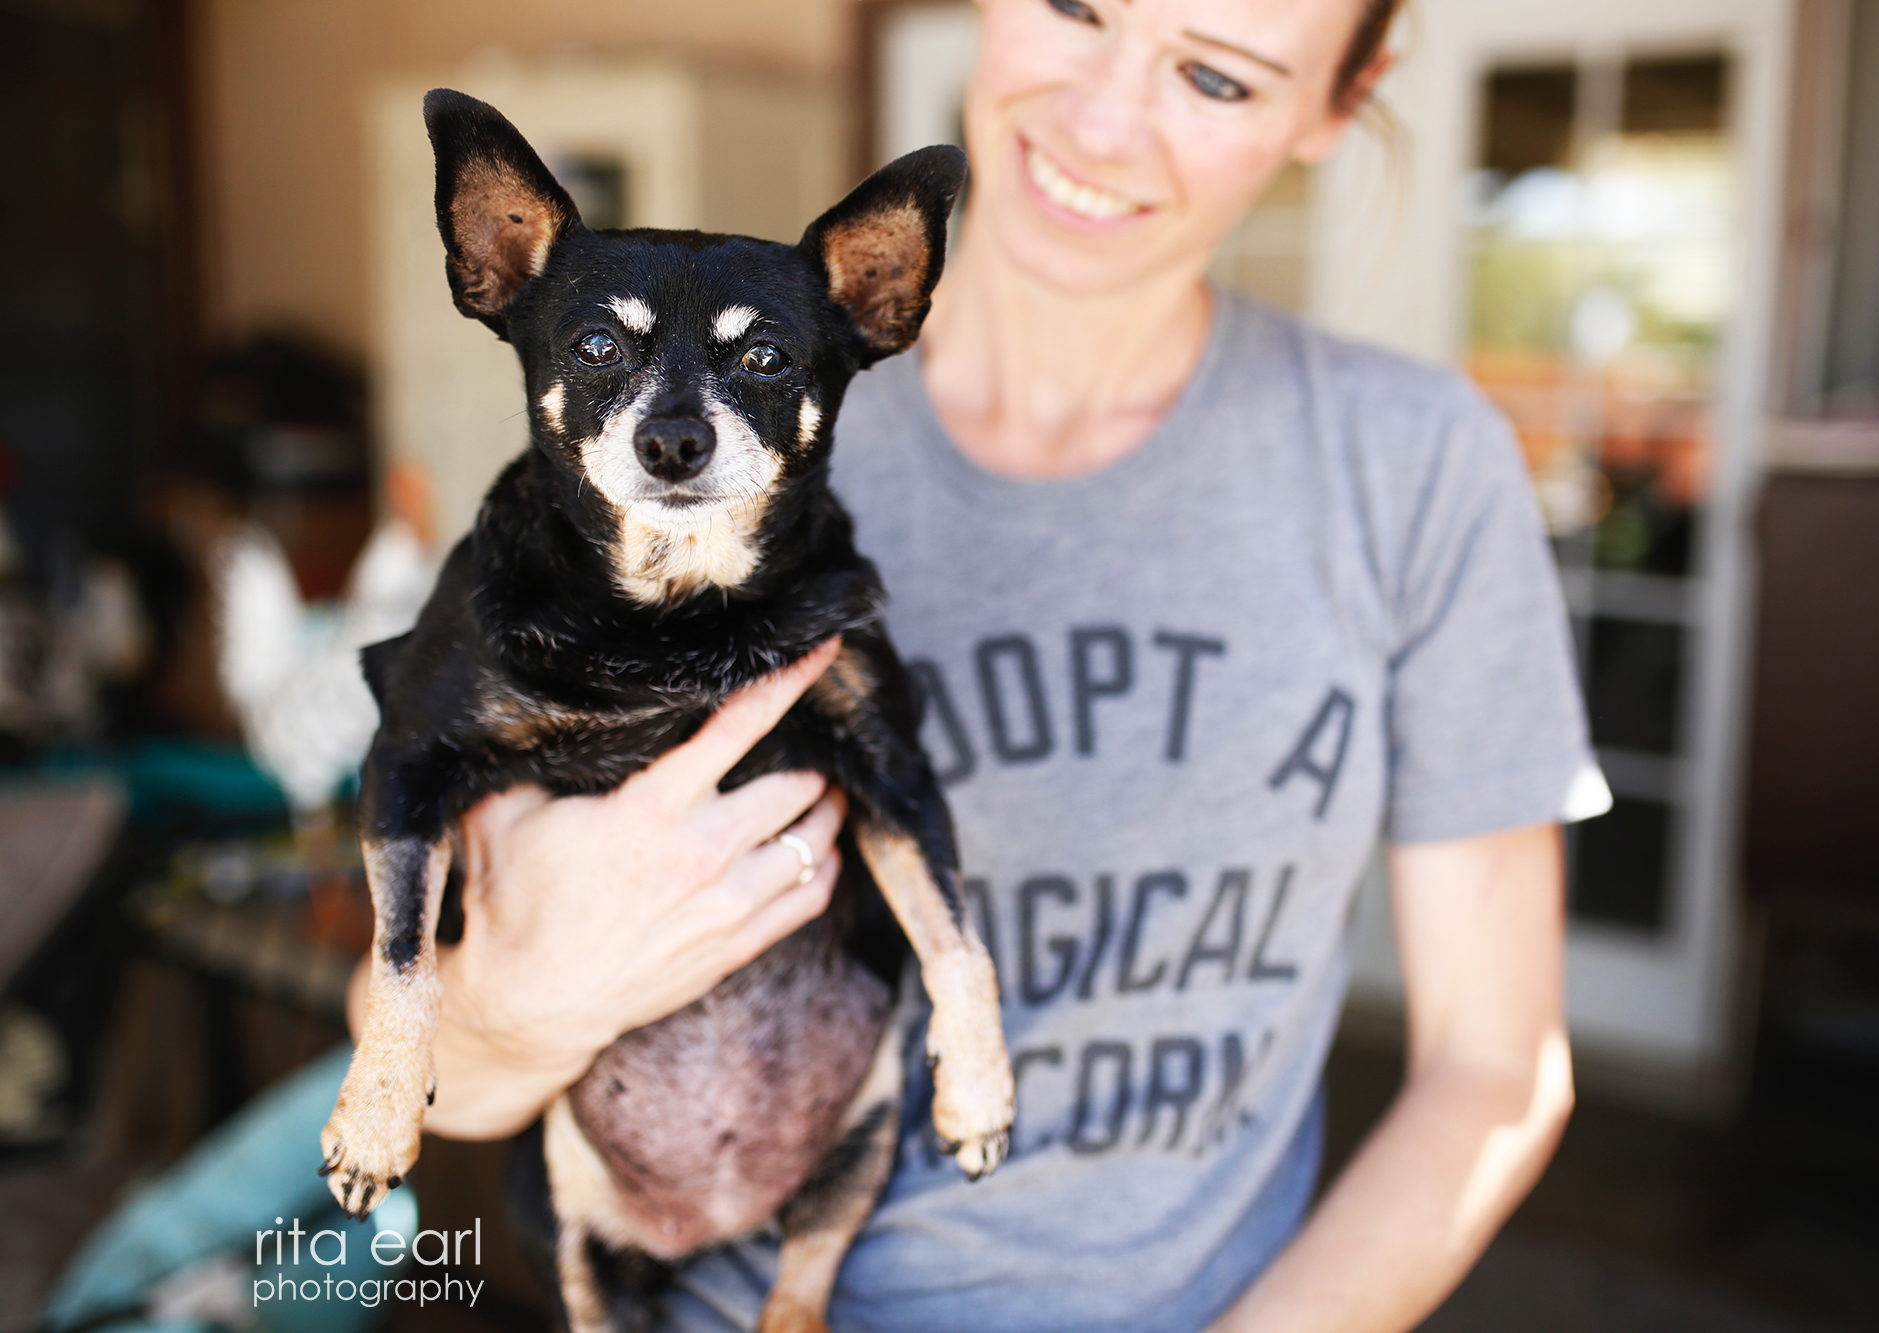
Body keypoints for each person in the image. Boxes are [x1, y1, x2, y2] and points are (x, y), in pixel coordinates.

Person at [368, 1, 1607, 1329]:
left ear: (1341, 102)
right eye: (1077, 5)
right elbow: (441, 1082)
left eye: (1217, 75)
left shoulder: (1415, 465)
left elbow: (1494, 1068)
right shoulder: (646, 487)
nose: (1102, 120)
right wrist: (518, 1004)